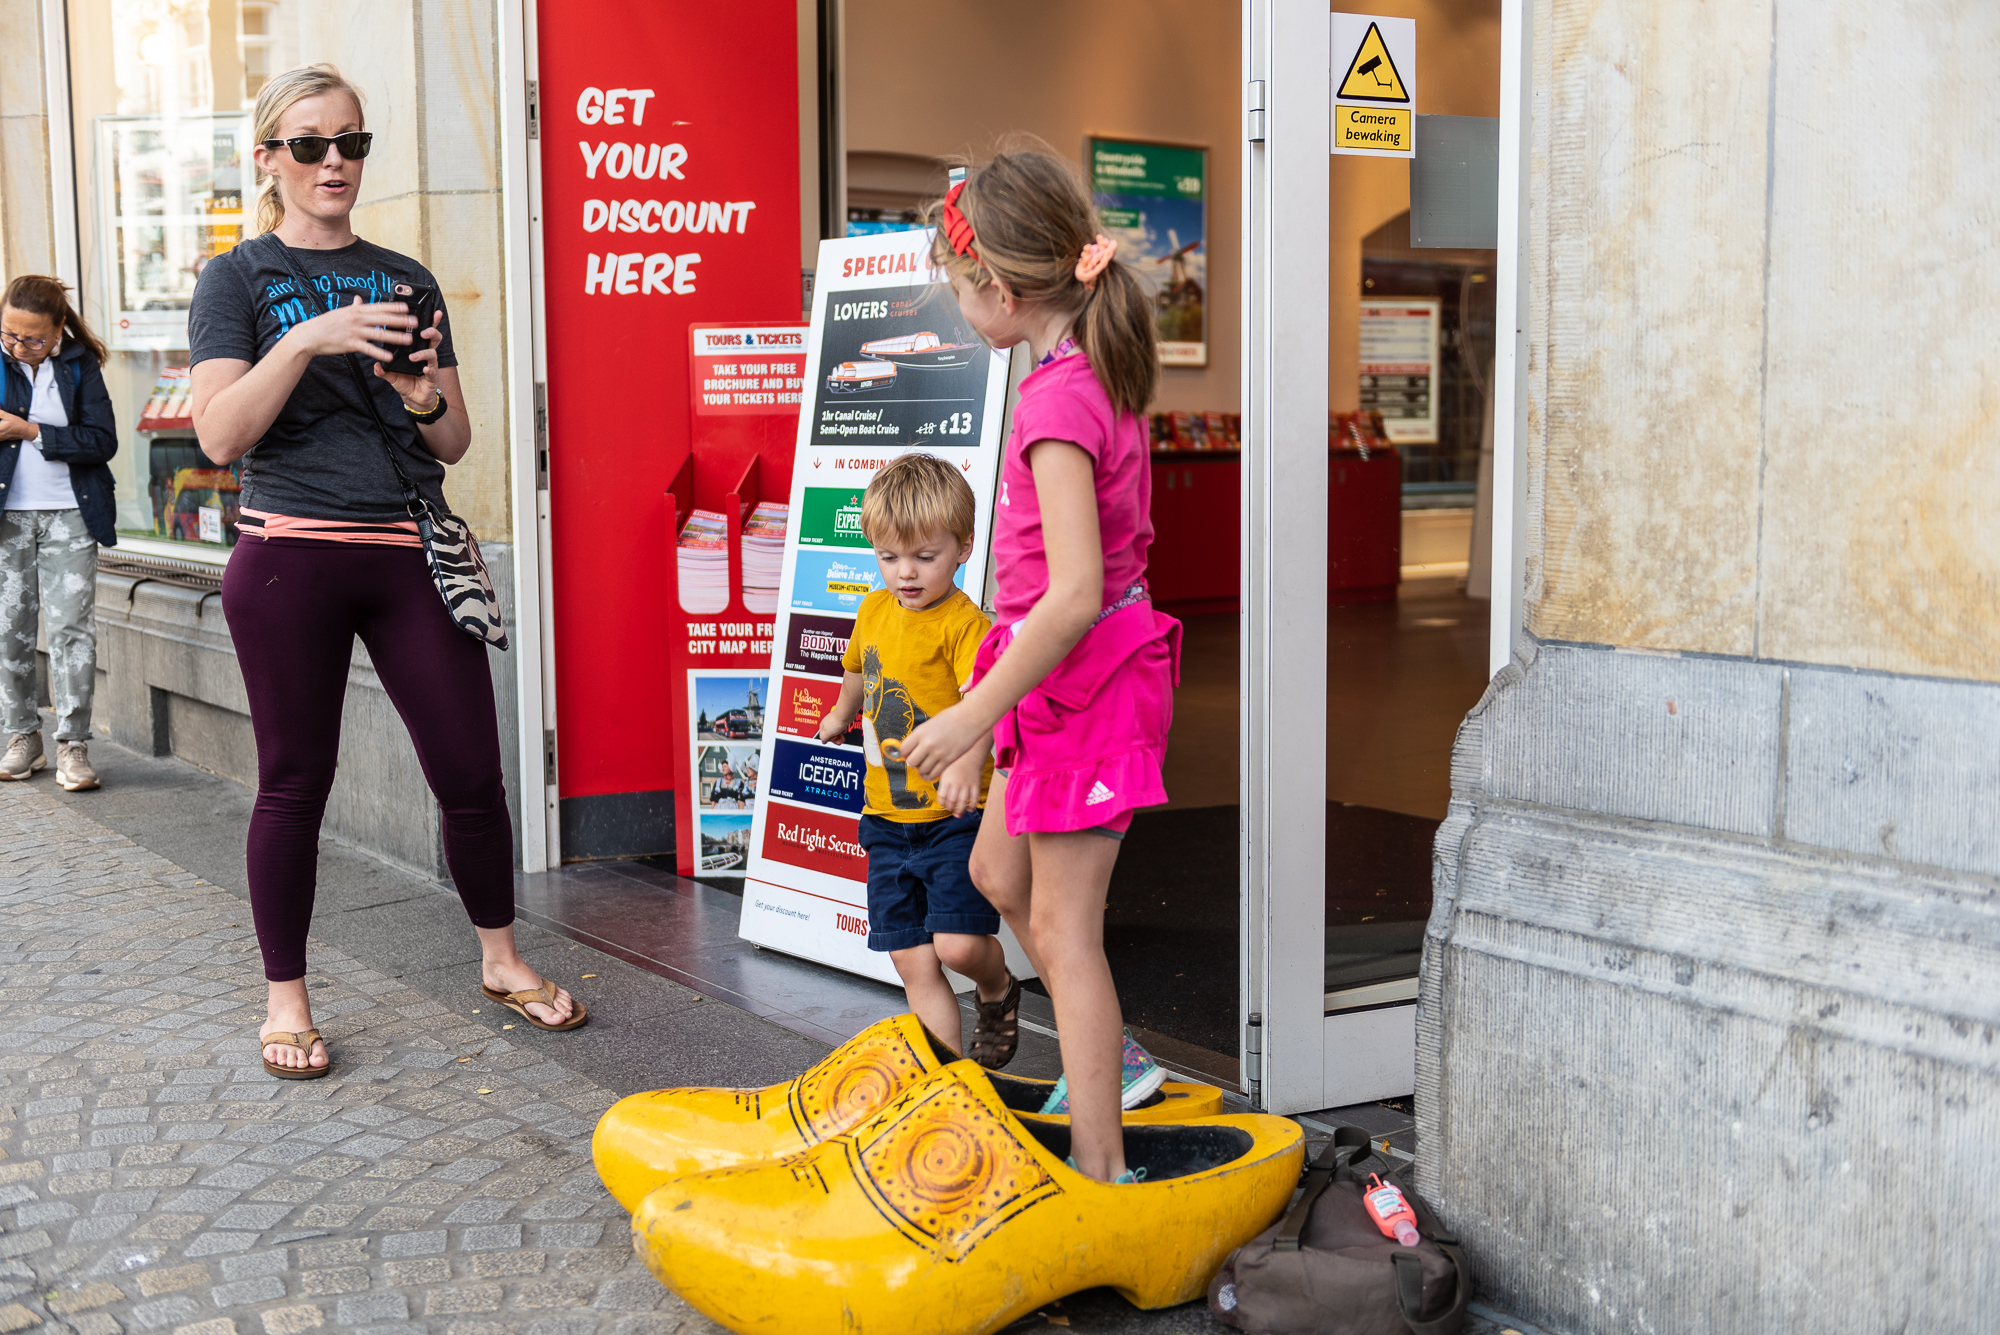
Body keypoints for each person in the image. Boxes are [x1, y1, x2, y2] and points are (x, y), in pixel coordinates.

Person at [187, 63, 583, 1080]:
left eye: (351, 143)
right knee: (294, 783)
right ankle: (286, 998)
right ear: (268, 157)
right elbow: (221, 435)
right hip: (287, 558)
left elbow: (451, 440)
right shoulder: (237, 279)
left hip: (408, 551)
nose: (334, 163)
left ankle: (500, 958)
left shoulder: (405, 277)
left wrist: (413, 392)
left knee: (471, 774)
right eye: (311, 144)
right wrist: (307, 338)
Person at [898, 145, 1179, 1181]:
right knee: (991, 870)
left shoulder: (1057, 402)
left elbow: (1069, 596)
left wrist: (972, 715)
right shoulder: (1079, 373)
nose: (962, 309)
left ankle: (1101, 1169)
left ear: (1003, 292)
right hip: (1057, 683)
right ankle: (1113, 1056)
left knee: (1063, 934)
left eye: (962, 291)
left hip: (1085, 687)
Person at [813, 453, 1022, 1067]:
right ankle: (947, 1085)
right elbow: (858, 670)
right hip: (886, 816)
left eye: (924, 557)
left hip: (953, 817)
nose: (904, 573)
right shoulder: (874, 610)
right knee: (911, 958)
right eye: (888, 557)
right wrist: (839, 713)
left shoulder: (964, 626)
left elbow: (989, 700)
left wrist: (963, 762)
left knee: (958, 946)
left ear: (963, 547)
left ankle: (997, 987)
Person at [0, 276, 118, 791]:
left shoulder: (77, 366)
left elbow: (102, 440)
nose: (19, 347)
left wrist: (30, 431)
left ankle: (73, 743)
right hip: (7, 516)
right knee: (10, 630)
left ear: (57, 331)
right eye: (9, 335)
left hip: (71, 513)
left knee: (71, 630)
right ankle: (23, 735)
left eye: (32, 339)